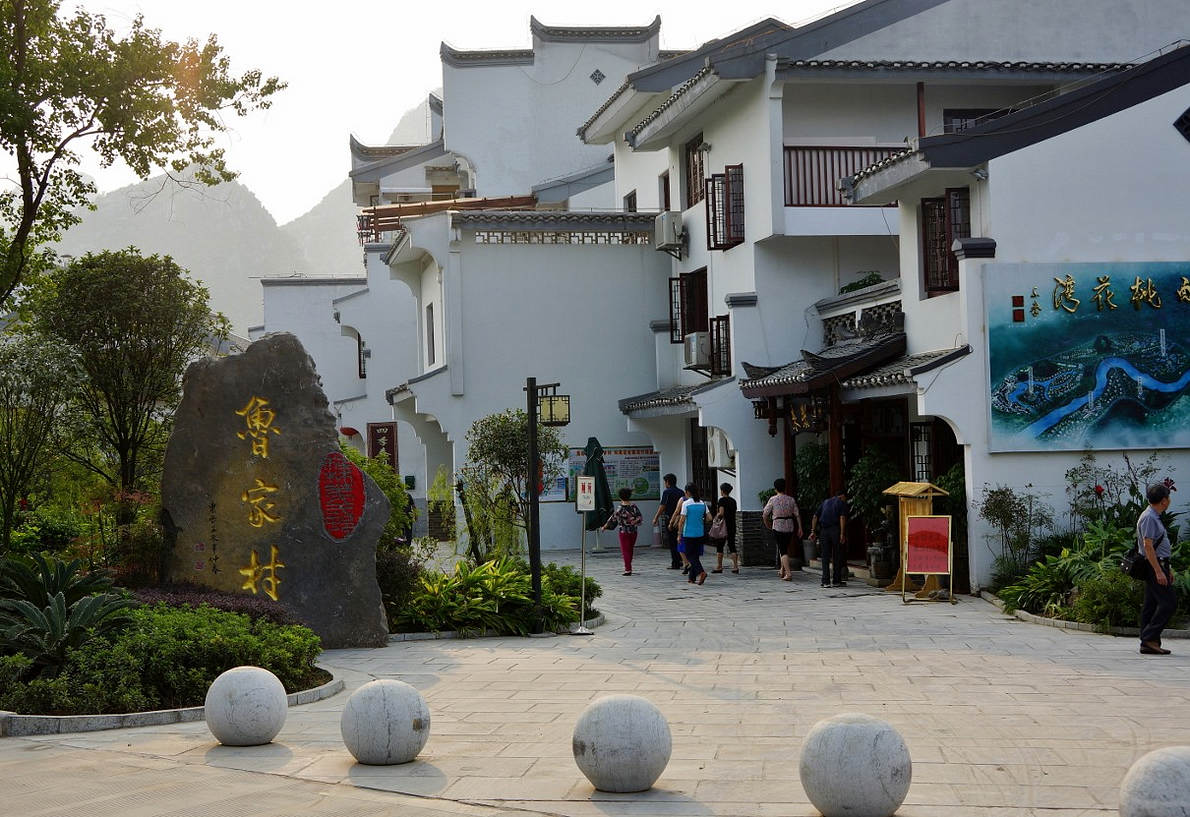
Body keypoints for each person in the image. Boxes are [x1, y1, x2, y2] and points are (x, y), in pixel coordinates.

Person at [1137, 483, 1177, 655]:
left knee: (1151, 604)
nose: (1169, 500)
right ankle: (1148, 637)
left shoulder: (1154, 515)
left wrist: (1166, 568)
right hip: (1154, 564)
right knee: (1169, 603)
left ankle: (1149, 643)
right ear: (1163, 501)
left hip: (1159, 563)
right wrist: (1159, 571)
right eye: (1168, 497)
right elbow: (1148, 546)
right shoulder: (1149, 517)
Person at [762, 478, 801, 580]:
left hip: (778, 526)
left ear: (775, 489)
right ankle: (782, 570)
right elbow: (797, 514)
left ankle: (788, 573)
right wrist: (800, 528)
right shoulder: (791, 499)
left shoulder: (773, 499)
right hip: (789, 526)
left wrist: (767, 525)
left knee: (782, 549)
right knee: (784, 548)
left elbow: (765, 514)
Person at [675, 482, 711, 585]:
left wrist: (679, 534)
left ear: (688, 492)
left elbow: (681, 521)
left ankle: (701, 572)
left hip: (688, 534)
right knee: (695, 555)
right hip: (699, 533)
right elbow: (710, 518)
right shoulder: (702, 503)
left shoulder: (686, 504)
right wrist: (700, 519)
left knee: (690, 555)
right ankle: (692, 578)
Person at [812, 490, 850, 588]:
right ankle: (836, 581)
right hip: (835, 530)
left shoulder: (825, 502)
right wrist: (842, 533)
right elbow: (842, 518)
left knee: (825, 556)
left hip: (823, 531)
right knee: (837, 555)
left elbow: (815, 516)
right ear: (842, 496)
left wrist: (813, 531)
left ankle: (825, 581)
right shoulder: (841, 502)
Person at [604, 487, 644, 576]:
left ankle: (628, 569)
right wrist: (633, 522)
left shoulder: (620, 508)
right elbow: (640, 517)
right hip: (634, 531)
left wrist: (605, 527)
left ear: (620, 497)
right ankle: (629, 566)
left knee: (625, 550)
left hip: (624, 532)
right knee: (630, 549)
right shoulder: (634, 507)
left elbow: (612, 519)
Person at [652, 473, 685, 571]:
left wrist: (656, 517)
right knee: (679, 539)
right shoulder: (681, 492)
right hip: (680, 519)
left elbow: (663, 506)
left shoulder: (667, 492)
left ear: (667, 482)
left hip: (670, 518)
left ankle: (675, 563)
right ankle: (681, 560)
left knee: (672, 541)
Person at [711, 483, 739, 574]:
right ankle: (735, 567)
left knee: (720, 545)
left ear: (722, 491)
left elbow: (721, 513)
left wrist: (715, 517)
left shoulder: (722, 500)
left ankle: (719, 566)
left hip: (723, 526)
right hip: (732, 524)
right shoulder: (733, 501)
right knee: (732, 545)